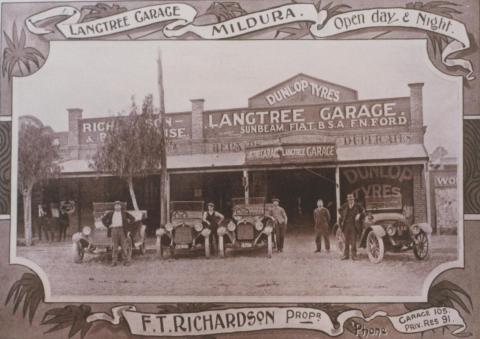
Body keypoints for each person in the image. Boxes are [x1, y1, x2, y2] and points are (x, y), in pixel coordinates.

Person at [101, 201, 135, 266]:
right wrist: (108, 225)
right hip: (113, 230)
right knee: (114, 246)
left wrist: (127, 224)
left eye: (119, 205)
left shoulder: (124, 213)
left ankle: (126, 261)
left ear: (120, 206)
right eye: (116, 205)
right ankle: (114, 262)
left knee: (124, 246)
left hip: (122, 230)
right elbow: (103, 219)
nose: (117, 206)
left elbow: (133, 219)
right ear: (114, 207)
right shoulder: (110, 213)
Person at [338, 194, 365, 260]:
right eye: (349, 200)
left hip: (354, 225)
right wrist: (343, 216)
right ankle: (346, 255)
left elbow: (364, 212)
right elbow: (339, 210)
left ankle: (354, 255)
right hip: (346, 225)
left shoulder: (358, 205)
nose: (350, 201)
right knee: (346, 241)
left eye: (352, 199)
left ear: (354, 199)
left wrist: (359, 214)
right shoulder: (345, 205)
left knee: (353, 241)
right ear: (347, 200)